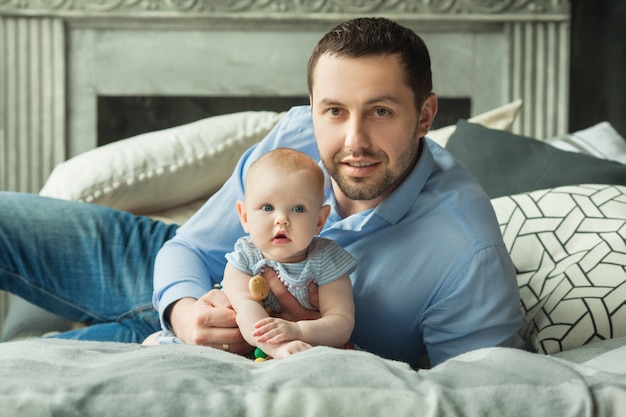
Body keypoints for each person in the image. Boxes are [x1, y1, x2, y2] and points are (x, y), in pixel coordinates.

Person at [0, 17, 522, 368]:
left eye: (381, 111)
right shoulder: (296, 134)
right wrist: (182, 312)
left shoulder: (467, 252)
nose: (353, 140)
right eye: (334, 110)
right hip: (182, 278)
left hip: (227, 354)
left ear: (425, 114)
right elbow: (190, 248)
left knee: (18, 371)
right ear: (314, 105)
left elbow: (474, 395)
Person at [145, 148, 357, 360]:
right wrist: (276, 348)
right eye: (267, 207)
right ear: (244, 216)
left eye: (298, 209)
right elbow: (247, 311)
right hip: (243, 341)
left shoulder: (327, 259)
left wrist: (299, 331)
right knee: (158, 346)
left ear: (320, 220)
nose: (281, 219)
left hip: (304, 340)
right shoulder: (244, 258)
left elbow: (341, 322)